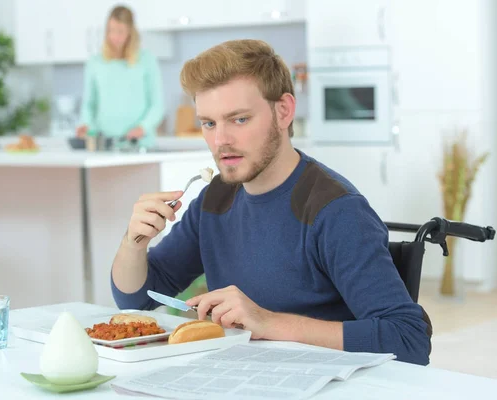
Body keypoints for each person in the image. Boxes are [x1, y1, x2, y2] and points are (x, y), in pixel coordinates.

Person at [110, 39, 433, 366]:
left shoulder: (336, 210)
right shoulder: (216, 197)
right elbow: (136, 299)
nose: (221, 140)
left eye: (239, 119)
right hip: (241, 376)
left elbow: (408, 339)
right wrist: (133, 244)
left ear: (283, 111)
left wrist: (269, 323)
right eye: (209, 123)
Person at [76, 5, 164, 149]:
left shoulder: (146, 60)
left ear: (130, 31)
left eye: (120, 31)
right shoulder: (95, 63)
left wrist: (142, 127)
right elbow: (89, 105)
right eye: (111, 31)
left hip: (140, 145)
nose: (115, 37)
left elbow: (157, 105)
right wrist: (86, 124)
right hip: (105, 145)